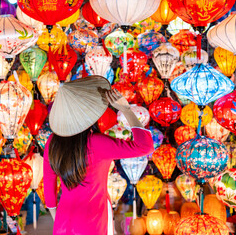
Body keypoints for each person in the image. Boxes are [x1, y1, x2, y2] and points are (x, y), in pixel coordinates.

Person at [43, 76, 154, 235]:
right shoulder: (97, 143)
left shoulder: (52, 142)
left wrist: (57, 218)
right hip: (94, 220)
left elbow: (49, 184)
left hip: (63, 219)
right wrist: (126, 110)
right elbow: (145, 146)